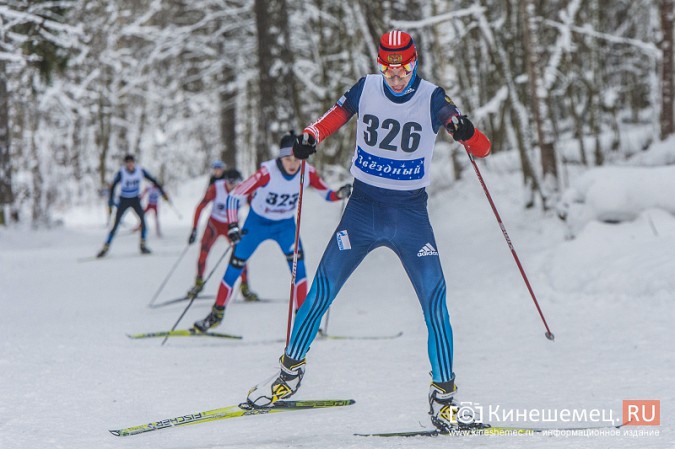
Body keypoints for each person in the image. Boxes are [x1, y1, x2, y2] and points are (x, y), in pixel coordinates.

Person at [245, 30, 491, 433]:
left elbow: (480, 148)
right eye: (388, 69)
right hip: (362, 211)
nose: (396, 78)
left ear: (415, 64)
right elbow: (328, 122)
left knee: (435, 302)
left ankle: (444, 398)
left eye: (404, 69)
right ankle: (288, 375)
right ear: (380, 66)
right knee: (321, 289)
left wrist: (466, 131)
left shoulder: (432, 97)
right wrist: (309, 137)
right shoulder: (366, 89)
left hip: (410, 216)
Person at [192, 131, 352, 333]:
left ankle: (302, 319)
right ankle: (216, 314)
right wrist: (233, 225)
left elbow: (327, 194)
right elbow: (234, 197)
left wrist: (339, 194)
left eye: (296, 158)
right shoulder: (266, 172)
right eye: (287, 159)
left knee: (299, 269)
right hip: (257, 224)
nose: (292, 164)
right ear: (280, 157)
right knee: (235, 266)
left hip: (285, 227)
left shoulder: (307, 171)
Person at [187, 166, 259, 301]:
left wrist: (251, 228)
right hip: (214, 225)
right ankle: (198, 284)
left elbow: (256, 210)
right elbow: (200, 206)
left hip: (232, 227)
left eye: (234, 182)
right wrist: (194, 229)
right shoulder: (216, 187)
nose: (231, 186)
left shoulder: (246, 191)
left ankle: (245, 287)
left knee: (240, 256)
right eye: (229, 182)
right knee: (203, 253)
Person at [97, 154, 168, 258]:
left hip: (135, 200)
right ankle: (106, 247)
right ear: (126, 164)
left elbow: (153, 180)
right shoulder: (121, 173)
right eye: (128, 163)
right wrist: (111, 201)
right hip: (124, 200)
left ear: (134, 163)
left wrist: (163, 192)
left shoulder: (140, 171)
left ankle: (143, 246)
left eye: (131, 162)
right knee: (115, 224)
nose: (130, 164)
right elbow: (113, 186)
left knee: (143, 222)